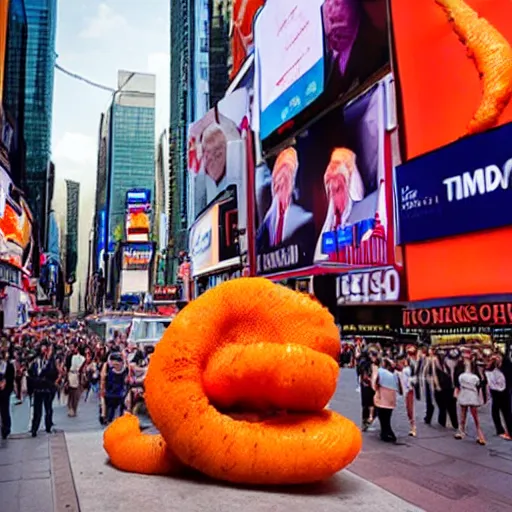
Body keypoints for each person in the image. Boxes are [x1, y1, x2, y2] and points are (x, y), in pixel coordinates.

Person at [256, 147, 315, 255]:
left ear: (293, 182)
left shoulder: (305, 220)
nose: (281, 179)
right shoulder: (265, 227)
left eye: (286, 173)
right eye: (278, 173)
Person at [454, 348, 486, 445]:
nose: (466, 356)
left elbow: (482, 378)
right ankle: (461, 430)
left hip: (472, 391)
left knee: (474, 412)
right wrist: (457, 388)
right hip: (463, 390)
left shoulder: (475, 365)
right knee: (462, 411)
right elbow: (455, 376)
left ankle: (479, 433)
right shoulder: (459, 365)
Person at [28, 342, 58, 437]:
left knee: (48, 408)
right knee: (37, 411)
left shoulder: (51, 362)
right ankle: (34, 429)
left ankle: (48, 426)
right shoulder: (35, 362)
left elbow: (54, 374)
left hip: (48, 388)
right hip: (38, 388)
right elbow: (31, 374)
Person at [485, 353, 512, 440]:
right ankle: (500, 430)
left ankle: (510, 432)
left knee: (507, 412)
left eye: (498, 357)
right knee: (495, 411)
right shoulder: (492, 366)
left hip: (505, 392)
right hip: (495, 392)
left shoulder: (507, 366)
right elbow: (487, 369)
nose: (496, 358)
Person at [374, 358, 401, 442]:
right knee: (387, 418)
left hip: (381, 399)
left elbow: (375, 384)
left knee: (382, 418)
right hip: (391, 400)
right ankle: (387, 433)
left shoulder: (380, 372)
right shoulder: (394, 375)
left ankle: (386, 433)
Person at [101, 349, 129, 424]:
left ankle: (110, 420)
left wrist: (102, 388)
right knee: (118, 408)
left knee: (111, 408)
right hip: (119, 392)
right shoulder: (124, 369)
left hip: (110, 392)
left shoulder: (108, 368)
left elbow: (103, 378)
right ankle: (117, 421)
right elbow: (126, 378)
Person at [66, 345, 85, 417]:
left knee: (74, 394)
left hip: (75, 375)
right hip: (74, 375)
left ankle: (72, 408)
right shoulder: (72, 357)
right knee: (74, 393)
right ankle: (72, 408)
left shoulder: (78, 357)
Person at [0, 346, 15, 439]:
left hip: (6, 391)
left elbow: (11, 377)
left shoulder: (9, 365)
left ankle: (6, 429)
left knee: (5, 410)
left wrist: (5, 382)